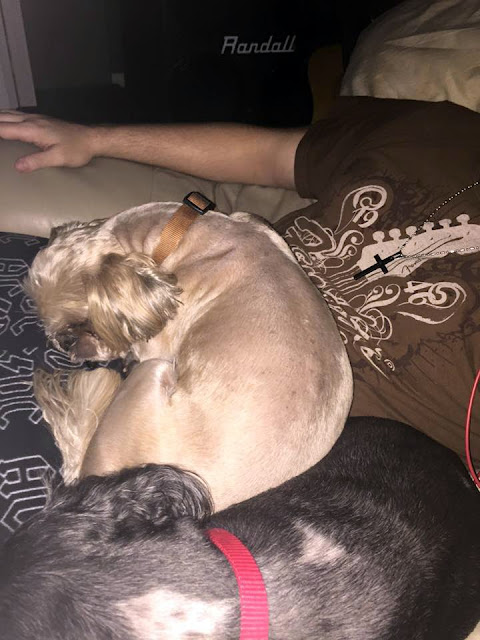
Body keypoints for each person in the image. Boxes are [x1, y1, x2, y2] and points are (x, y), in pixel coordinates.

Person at [0, 96, 479, 463]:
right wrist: (95, 140)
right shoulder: (442, 134)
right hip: (149, 323)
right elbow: (270, 155)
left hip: (283, 473)